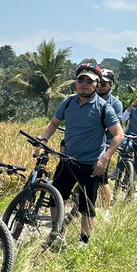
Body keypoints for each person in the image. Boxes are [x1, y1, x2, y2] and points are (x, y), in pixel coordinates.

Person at [36, 63, 123, 245]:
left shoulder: (104, 108)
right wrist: (43, 140)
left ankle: (83, 242)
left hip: (91, 163)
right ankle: (57, 233)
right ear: (75, 83)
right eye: (80, 79)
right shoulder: (68, 102)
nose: (84, 83)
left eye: (89, 81)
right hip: (67, 160)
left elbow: (118, 135)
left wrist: (104, 159)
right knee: (56, 197)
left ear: (97, 85)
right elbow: (53, 123)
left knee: (87, 206)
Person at [95, 68, 125, 214]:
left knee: (101, 178)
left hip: (106, 143)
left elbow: (115, 128)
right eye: (99, 82)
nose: (100, 86)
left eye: (104, 83)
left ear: (111, 85)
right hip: (90, 141)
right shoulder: (91, 97)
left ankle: (107, 210)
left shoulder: (115, 103)